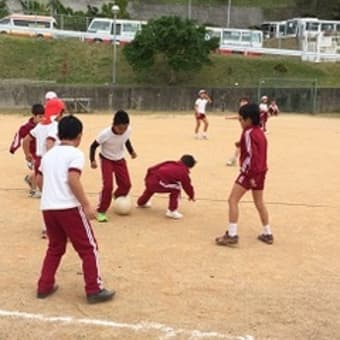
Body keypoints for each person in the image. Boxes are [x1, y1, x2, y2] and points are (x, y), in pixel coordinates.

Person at [36, 115, 115, 304]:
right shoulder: (75, 154)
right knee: (89, 248)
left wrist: (50, 194)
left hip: (48, 208)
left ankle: (44, 286)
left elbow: (38, 180)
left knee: (55, 247)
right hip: (69, 207)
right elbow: (73, 179)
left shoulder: (48, 155)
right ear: (79, 136)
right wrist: (87, 205)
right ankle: (94, 289)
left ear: (59, 134)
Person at [215, 103, 273, 246]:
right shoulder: (259, 132)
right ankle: (267, 233)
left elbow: (251, 156)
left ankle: (232, 234)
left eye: (241, 119)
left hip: (250, 173)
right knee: (259, 202)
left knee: (232, 200)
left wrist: (248, 175)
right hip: (261, 171)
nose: (239, 122)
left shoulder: (248, 133)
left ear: (248, 120)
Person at [90, 110, 137, 223]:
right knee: (108, 186)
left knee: (126, 185)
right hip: (106, 159)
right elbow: (93, 146)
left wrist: (131, 152)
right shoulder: (105, 134)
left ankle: (115, 196)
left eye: (125, 128)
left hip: (119, 159)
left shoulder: (127, 130)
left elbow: (126, 140)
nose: (122, 131)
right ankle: (101, 211)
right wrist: (92, 160)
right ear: (114, 125)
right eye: (120, 129)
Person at [137, 155, 196, 219]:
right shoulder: (184, 172)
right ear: (189, 166)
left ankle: (141, 202)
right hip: (158, 183)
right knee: (176, 188)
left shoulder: (170, 162)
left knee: (150, 189)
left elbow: (151, 168)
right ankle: (172, 211)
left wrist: (147, 178)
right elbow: (187, 186)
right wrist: (191, 195)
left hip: (150, 178)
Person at [9, 104, 44, 195]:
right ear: (34, 116)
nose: (42, 119)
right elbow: (18, 136)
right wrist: (14, 148)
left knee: (42, 169)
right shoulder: (26, 127)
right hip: (31, 153)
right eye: (40, 117)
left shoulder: (44, 126)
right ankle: (33, 187)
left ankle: (30, 180)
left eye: (43, 117)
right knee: (39, 168)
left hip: (41, 151)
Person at [225, 97, 249, 166]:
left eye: (245, 101)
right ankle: (234, 159)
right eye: (242, 101)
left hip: (250, 131)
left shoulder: (248, 110)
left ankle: (234, 159)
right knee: (241, 145)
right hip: (245, 131)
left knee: (241, 145)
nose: (243, 103)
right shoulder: (241, 111)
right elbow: (238, 117)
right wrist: (229, 117)